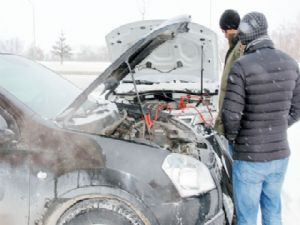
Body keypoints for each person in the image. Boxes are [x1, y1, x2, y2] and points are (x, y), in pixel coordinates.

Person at [222, 11, 300, 225]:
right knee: (273, 210)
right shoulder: (290, 63)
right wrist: (277, 125)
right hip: (280, 156)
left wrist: (236, 138)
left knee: (247, 217)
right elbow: (298, 107)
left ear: (245, 36)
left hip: (249, 157)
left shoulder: (242, 66)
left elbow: (230, 116)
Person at [214, 9, 243, 156]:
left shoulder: (240, 49)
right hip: (234, 121)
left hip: (236, 124)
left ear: (227, 28)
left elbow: (239, 89)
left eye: (224, 31)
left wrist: (231, 126)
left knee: (235, 164)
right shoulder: (235, 47)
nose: (224, 35)